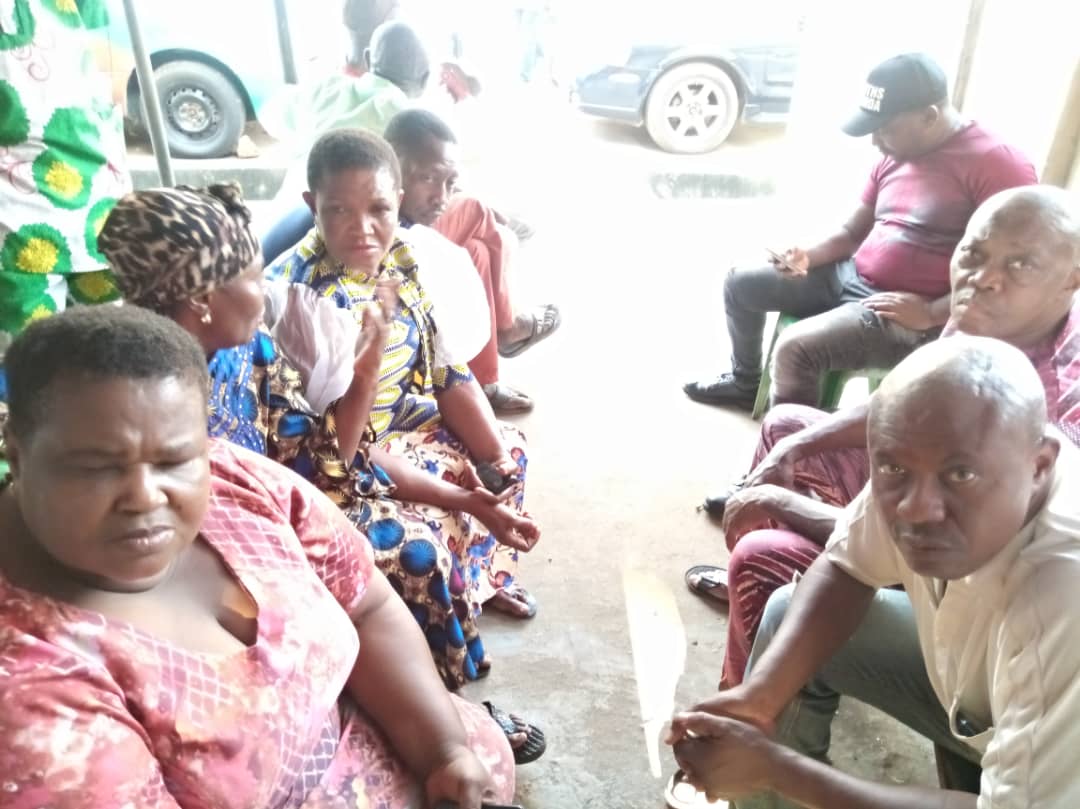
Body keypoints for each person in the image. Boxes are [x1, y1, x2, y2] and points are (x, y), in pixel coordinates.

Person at [0, 304, 516, 809]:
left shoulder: (235, 479)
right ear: (17, 454)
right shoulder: (28, 693)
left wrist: (444, 752)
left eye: (174, 459)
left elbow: (365, 606)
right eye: (96, 467)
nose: (144, 496)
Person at [97, 185, 543, 718]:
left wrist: (367, 378)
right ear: (200, 301)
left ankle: (443, 706)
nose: (265, 292)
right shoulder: (149, 398)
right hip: (217, 554)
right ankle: (432, 717)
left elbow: (320, 457)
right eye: (252, 278)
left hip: (286, 504)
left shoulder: (247, 348)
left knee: (420, 542)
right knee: (412, 558)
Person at [686, 184, 1080, 691]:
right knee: (788, 427)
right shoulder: (993, 317)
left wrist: (782, 503)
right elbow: (904, 403)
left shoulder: (1055, 411)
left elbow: (930, 543)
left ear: (1072, 280)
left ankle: (750, 697)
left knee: (764, 556)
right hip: (927, 523)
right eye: (974, 254)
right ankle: (764, 612)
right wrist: (798, 446)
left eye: (1020, 265)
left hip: (961, 588)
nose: (984, 278)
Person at [669, 335, 1080, 808]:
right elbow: (847, 567)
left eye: (961, 475)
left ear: (1040, 466)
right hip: (984, 686)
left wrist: (779, 769)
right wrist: (761, 697)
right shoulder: (927, 458)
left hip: (1055, 746)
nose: (917, 509)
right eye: (892, 468)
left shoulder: (1060, 596)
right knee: (787, 616)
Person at [269, 128, 542, 620]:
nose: (363, 230)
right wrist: (466, 496)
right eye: (339, 211)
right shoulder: (304, 301)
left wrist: (495, 457)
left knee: (508, 453)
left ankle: (482, 579)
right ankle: (453, 593)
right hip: (338, 456)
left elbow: (446, 370)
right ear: (313, 205)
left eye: (378, 209)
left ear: (397, 202)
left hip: (395, 418)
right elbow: (339, 451)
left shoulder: (401, 257)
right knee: (430, 525)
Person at [683, 52, 1037, 411]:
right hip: (851, 276)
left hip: (909, 314)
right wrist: (807, 256)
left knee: (796, 348)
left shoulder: (998, 166)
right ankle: (746, 383)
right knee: (741, 283)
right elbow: (852, 233)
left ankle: (797, 445)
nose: (875, 142)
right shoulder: (897, 155)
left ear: (929, 116)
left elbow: (1012, 274)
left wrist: (932, 313)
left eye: (885, 129)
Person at [384, 108, 561, 414]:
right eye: (428, 178)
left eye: (449, 182)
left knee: (476, 251)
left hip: (412, 234)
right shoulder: (371, 196)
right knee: (475, 209)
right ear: (392, 165)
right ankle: (508, 325)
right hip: (397, 239)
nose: (440, 197)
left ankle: (482, 381)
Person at [0, 0, 129, 352]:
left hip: (96, 201)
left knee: (111, 352)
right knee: (31, 359)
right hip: (16, 215)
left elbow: (107, 65)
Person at [260, 20, 431, 264]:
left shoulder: (326, 87)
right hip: (316, 246)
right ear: (425, 80)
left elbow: (269, 116)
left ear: (368, 59)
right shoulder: (409, 122)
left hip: (272, 232)